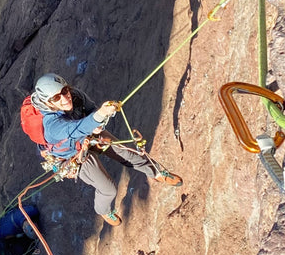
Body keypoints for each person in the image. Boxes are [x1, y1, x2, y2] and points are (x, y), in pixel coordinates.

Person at [29, 73, 181, 225]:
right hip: (72, 155)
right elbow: (75, 129)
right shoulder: (51, 125)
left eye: (64, 90)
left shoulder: (75, 96)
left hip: (89, 134)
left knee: (126, 153)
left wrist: (98, 123)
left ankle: (156, 171)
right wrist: (100, 115)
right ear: (47, 103)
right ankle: (104, 210)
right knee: (108, 189)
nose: (64, 97)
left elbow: (90, 109)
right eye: (56, 98)